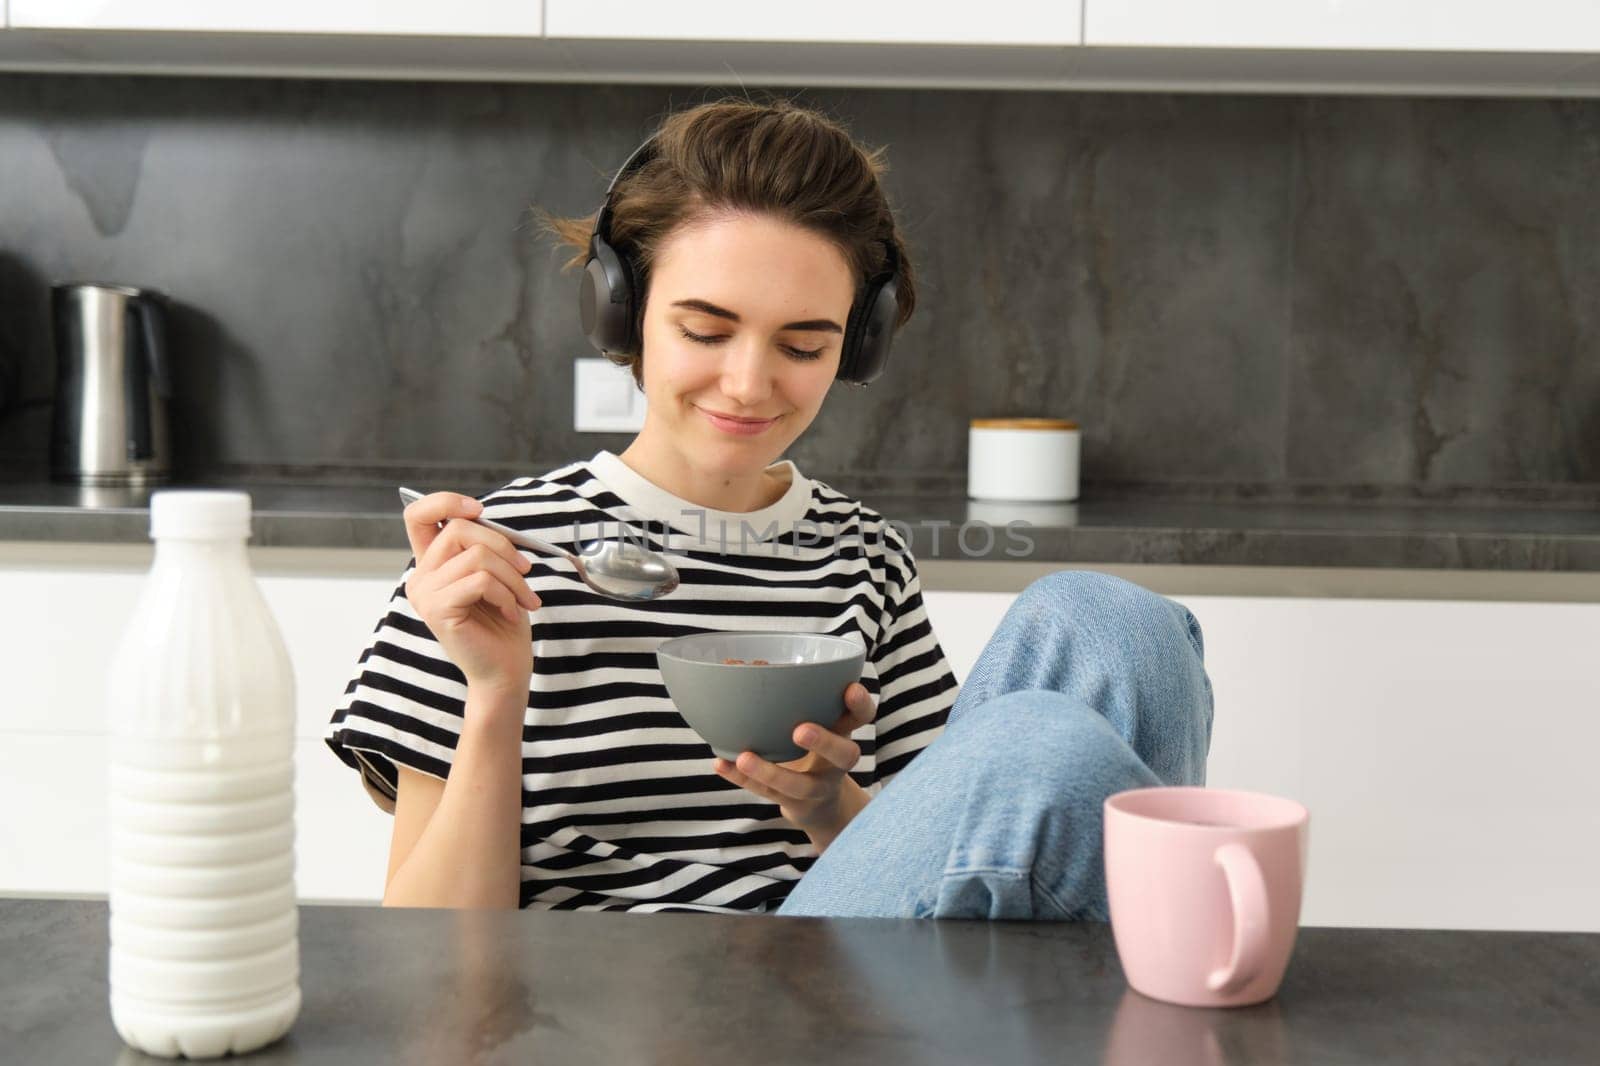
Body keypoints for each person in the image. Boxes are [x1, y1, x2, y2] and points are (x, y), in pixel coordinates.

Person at [325, 97, 1214, 918]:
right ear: (621, 312)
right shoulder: (493, 557)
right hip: (594, 1008)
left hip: (830, 981)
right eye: (705, 332)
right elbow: (429, 957)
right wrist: (494, 693)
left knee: (1114, 623)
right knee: (1043, 748)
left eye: (802, 344)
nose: (750, 385)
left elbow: (943, 849)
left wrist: (831, 806)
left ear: (856, 347)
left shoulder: (863, 557)